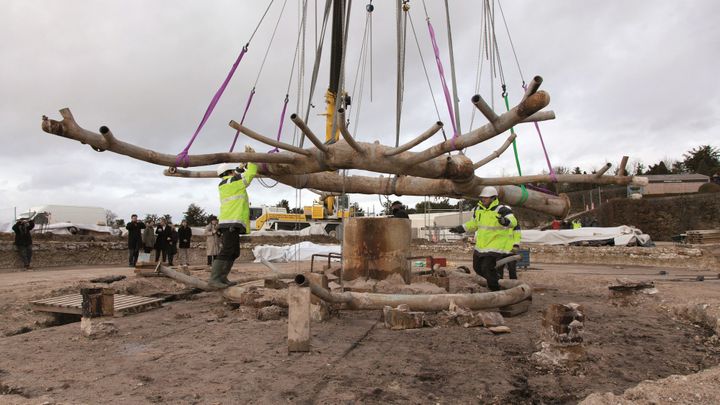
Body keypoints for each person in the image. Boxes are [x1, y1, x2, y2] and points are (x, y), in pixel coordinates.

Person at [449, 186, 517, 291]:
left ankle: (496, 291)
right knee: (477, 268)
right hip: (481, 246)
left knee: (486, 268)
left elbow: (513, 221)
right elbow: (474, 224)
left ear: (493, 198)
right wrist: (461, 228)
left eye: (486, 197)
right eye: (482, 197)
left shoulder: (502, 210)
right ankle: (496, 282)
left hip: (495, 246)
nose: (483, 199)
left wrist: (504, 221)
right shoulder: (478, 209)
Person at [208, 146, 257, 289]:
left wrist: (241, 166)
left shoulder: (226, 182)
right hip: (230, 222)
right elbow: (250, 174)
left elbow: (236, 175)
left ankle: (222, 278)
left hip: (232, 223)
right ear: (229, 172)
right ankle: (215, 279)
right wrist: (252, 160)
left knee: (234, 252)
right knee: (227, 251)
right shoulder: (231, 182)